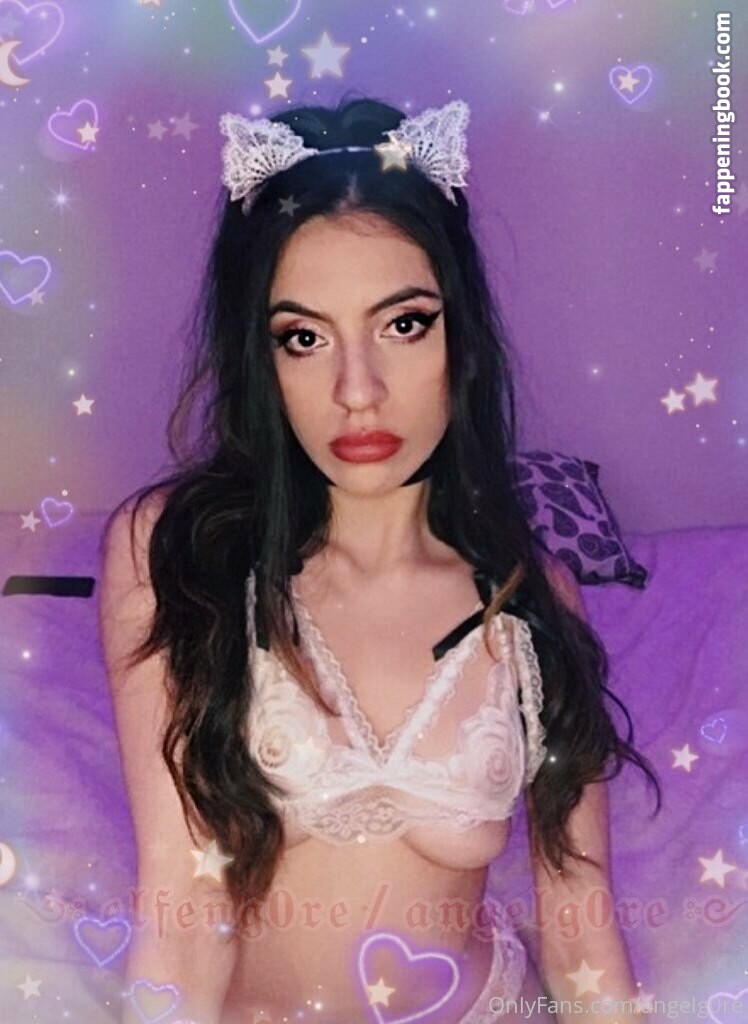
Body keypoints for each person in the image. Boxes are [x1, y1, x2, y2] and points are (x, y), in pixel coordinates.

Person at [98, 92, 663, 1024]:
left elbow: (578, 923)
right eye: (303, 337)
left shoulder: (531, 600)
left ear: (460, 337)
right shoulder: (175, 557)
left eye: (404, 324)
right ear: (261, 360)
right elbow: (183, 909)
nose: (356, 390)